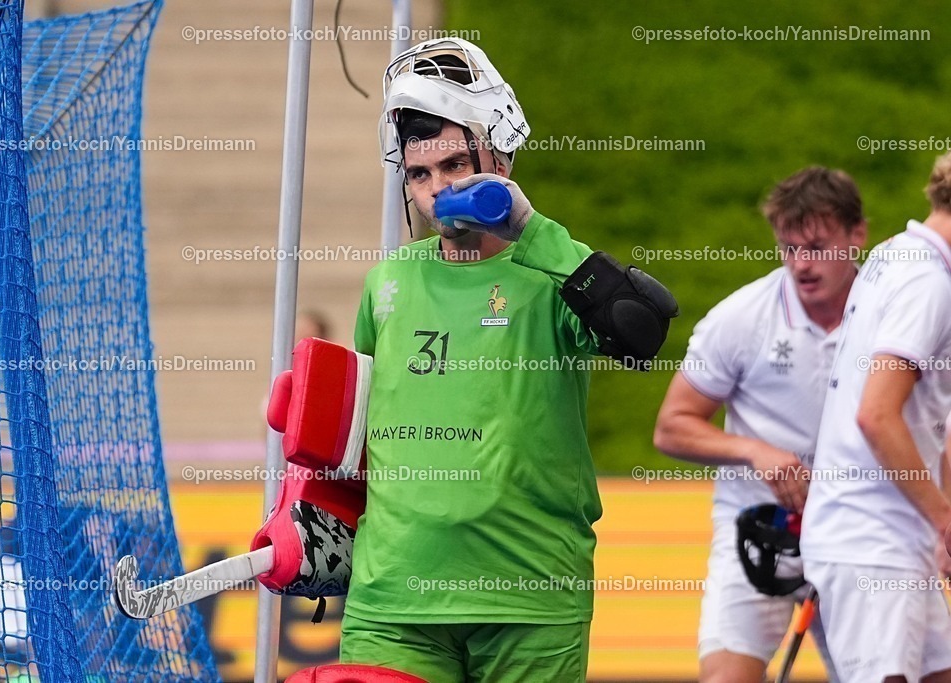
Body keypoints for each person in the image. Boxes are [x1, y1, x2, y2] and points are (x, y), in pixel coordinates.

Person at [338, 38, 677, 682]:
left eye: (454, 165)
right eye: (418, 175)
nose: (438, 191)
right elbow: (357, 437)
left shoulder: (553, 271)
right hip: (393, 603)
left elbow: (644, 332)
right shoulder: (386, 282)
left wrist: (531, 229)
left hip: (529, 600)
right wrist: (317, 517)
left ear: (500, 155)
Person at [653, 166, 866, 682]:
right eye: (788, 248)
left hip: (860, 529)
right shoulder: (741, 318)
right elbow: (672, 425)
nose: (801, 264)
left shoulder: (892, 313)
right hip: (759, 532)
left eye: (816, 247)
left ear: (857, 235)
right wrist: (756, 451)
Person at [801, 153, 951, 683]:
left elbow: (930, 416)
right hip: (872, 543)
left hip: (892, 536)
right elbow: (877, 415)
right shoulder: (928, 282)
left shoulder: (892, 255)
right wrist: (945, 518)